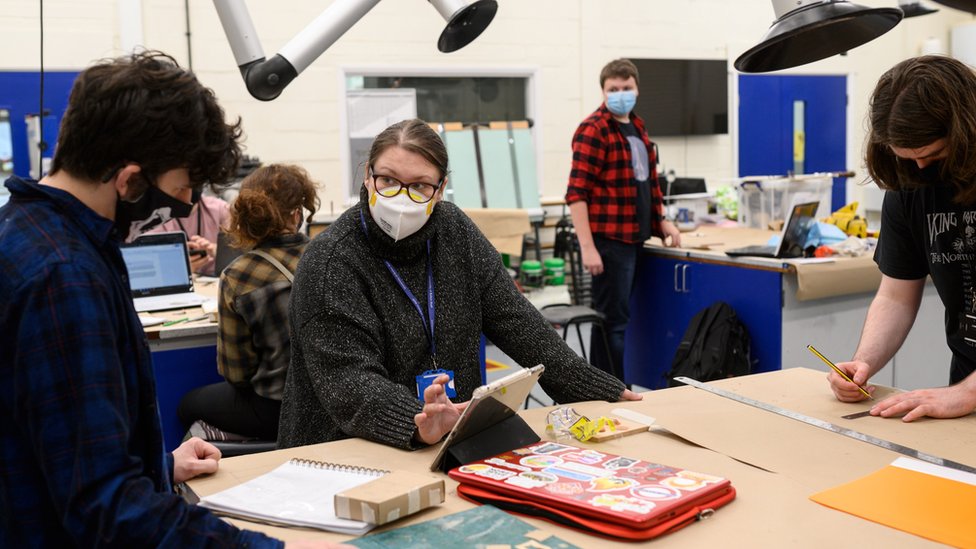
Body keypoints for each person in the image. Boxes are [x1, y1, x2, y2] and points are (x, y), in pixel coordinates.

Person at [0, 51, 341, 549]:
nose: (176, 211)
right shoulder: (65, 277)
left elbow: (60, 454)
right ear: (131, 180)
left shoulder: (28, 231)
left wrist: (161, 466)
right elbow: (107, 508)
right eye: (179, 191)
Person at [278, 119, 641, 450]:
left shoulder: (454, 232)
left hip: (449, 439)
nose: (401, 198)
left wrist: (593, 387)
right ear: (367, 177)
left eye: (419, 185)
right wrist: (416, 422)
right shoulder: (331, 261)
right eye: (388, 180)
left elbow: (515, 319)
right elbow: (348, 380)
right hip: (341, 452)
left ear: (440, 189)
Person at [828, 55, 976, 422]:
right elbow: (896, 295)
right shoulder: (910, 180)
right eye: (907, 158)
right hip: (965, 396)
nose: (921, 168)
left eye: (934, 154)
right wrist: (863, 362)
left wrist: (966, 394)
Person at [179, 164, 318, 441]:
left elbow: (237, 374)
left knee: (188, 405)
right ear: (296, 213)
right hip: (332, 403)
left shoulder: (237, 275)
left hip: (276, 410)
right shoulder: (326, 256)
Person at [565, 58, 682, 380]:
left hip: (635, 239)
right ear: (603, 92)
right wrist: (587, 248)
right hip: (609, 243)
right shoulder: (594, 130)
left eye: (626, 88)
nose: (620, 94)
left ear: (636, 89)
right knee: (610, 325)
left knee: (619, 322)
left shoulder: (638, 127)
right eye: (613, 89)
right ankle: (609, 389)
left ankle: (613, 385)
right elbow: (576, 194)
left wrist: (662, 222)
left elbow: (647, 183)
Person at [145, 192, 231, 276]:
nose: (187, 195)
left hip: (216, 280)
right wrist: (177, 268)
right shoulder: (155, 216)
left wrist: (220, 252)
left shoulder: (220, 208)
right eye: (181, 188)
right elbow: (146, 262)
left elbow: (239, 253)